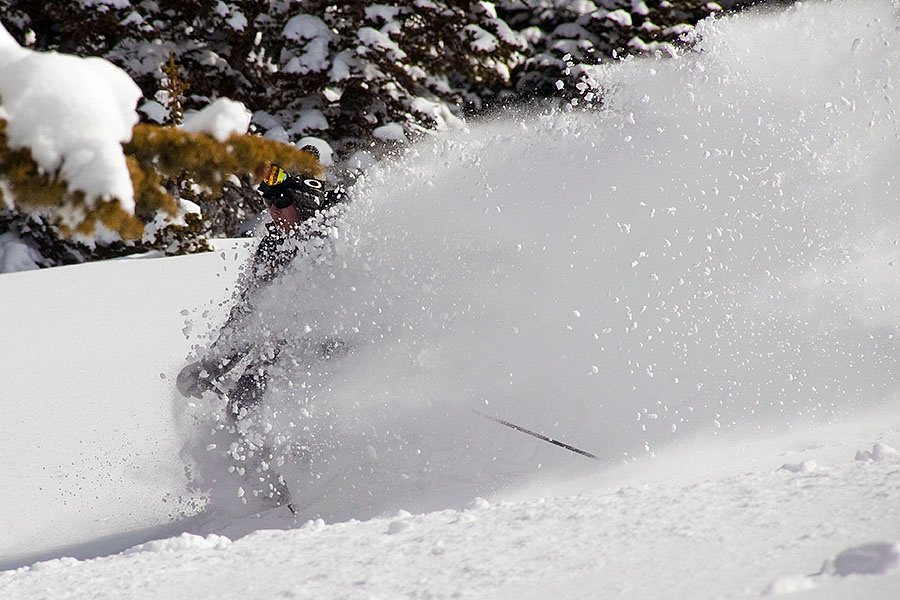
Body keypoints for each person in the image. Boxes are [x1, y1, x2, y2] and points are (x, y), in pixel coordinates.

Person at [176, 162, 347, 512]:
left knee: (312, 412)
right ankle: (270, 496)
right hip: (283, 349)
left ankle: (330, 488)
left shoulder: (337, 234)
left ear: (303, 202)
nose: (273, 211)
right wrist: (213, 365)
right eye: (269, 203)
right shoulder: (271, 247)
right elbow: (247, 314)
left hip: (336, 348)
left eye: (281, 202)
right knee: (242, 404)